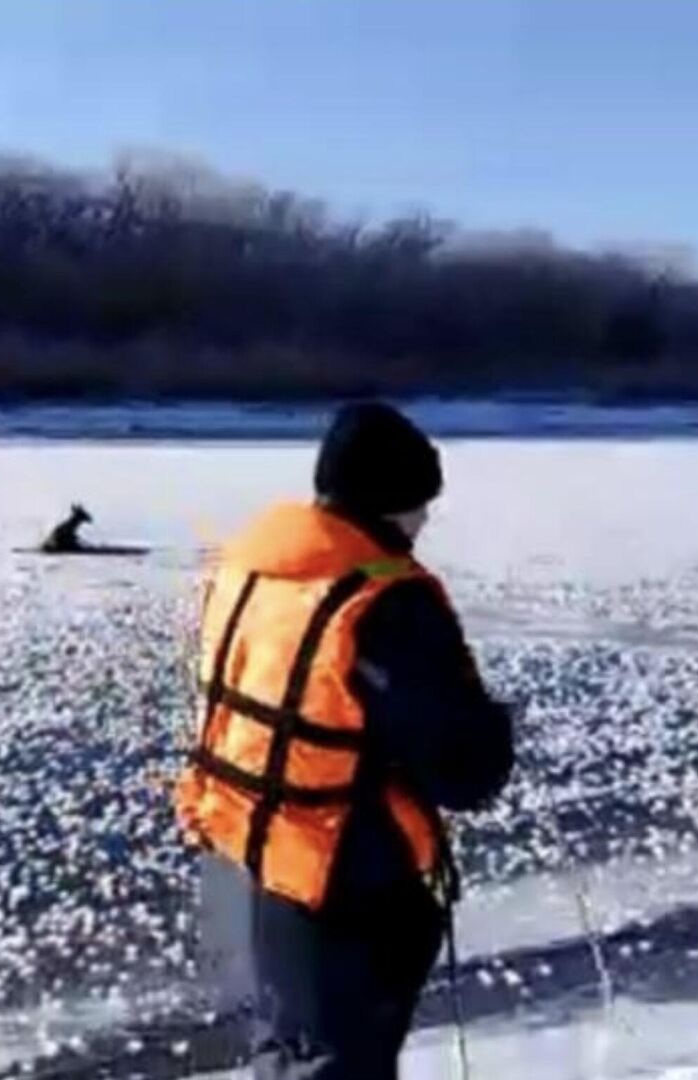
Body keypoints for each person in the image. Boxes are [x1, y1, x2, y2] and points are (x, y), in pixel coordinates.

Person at [174, 401, 516, 1078]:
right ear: (389, 500)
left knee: (287, 1050)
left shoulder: (251, 569)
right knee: (336, 1063)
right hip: (339, 871)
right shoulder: (385, 601)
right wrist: (494, 732)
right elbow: (462, 770)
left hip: (238, 850)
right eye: (421, 503)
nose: (424, 521)